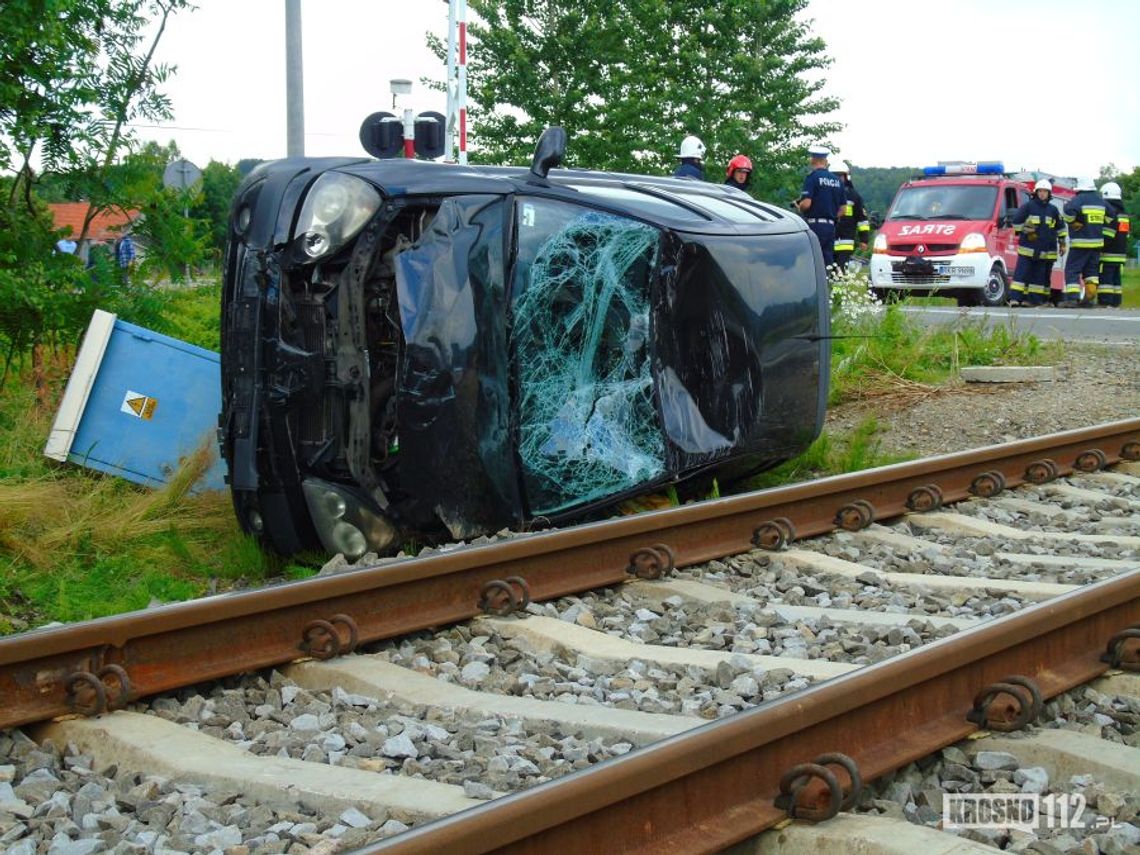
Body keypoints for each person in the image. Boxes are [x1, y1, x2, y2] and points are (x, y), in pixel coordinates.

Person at [1008, 179, 1067, 307]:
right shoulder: (1028, 206)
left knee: (1038, 278)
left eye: (1045, 191)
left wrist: (1062, 243)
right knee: (1021, 274)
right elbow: (1016, 223)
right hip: (1027, 249)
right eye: (1040, 191)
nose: (1042, 194)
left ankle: (1032, 301)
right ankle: (1014, 299)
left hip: (1044, 251)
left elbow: (1061, 228)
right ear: (1036, 192)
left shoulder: (1053, 210)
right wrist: (1026, 231)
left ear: (1049, 193)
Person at [1061, 177, 1107, 308]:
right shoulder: (1101, 201)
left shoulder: (1078, 200)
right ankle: (1089, 297)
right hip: (1097, 244)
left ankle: (1072, 299)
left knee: (1072, 270)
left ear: (1079, 189)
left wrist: (1072, 222)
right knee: (1091, 272)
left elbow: (1067, 212)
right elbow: (1110, 217)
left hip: (1081, 243)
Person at [797, 145, 844, 270]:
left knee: (812, 261)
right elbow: (843, 209)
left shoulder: (812, 177)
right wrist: (831, 215)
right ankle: (827, 286)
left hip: (815, 226)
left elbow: (806, 204)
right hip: (831, 226)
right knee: (827, 262)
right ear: (825, 161)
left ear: (812, 159)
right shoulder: (837, 180)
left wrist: (799, 207)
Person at [830, 160, 869, 272]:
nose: (837, 179)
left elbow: (862, 220)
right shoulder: (825, 193)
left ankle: (839, 289)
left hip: (845, 242)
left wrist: (864, 239)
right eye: (834, 176)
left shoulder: (853, 195)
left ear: (846, 177)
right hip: (828, 240)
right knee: (827, 272)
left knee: (840, 271)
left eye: (840, 176)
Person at [1098, 181, 1128, 308]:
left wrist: (1099, 246)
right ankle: (1116, 301)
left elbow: (1107, 233)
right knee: (1116, 280)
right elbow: (1124, 235)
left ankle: (1105, 302)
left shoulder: (1110, 213)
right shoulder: (1124, 214)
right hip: (1120, 254)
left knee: (1106, 280)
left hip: (1108, 253)